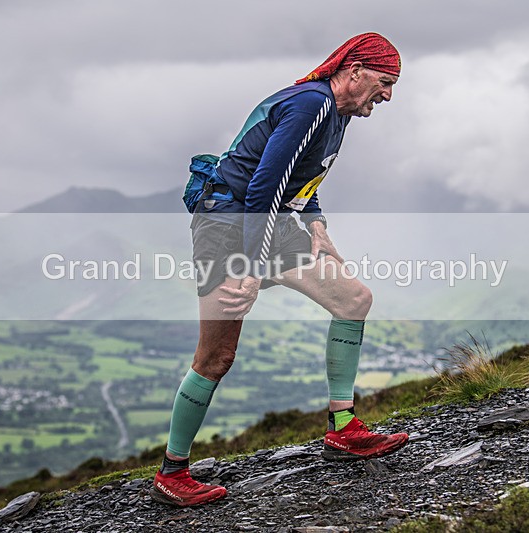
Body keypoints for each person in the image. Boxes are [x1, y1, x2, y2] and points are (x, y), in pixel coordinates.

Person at [151, 32, 409, 507]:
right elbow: (264, 188)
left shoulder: (337, 113)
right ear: (354, 72)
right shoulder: (311, 105)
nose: (389, 95)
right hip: (228, 224)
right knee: (216, 356)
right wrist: (251, 268)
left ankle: (343, 428)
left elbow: (304, 177)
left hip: (267, 222)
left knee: (354, 300)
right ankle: (172, 472)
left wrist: (317, 225)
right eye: (385, 81)